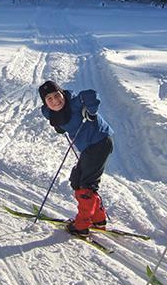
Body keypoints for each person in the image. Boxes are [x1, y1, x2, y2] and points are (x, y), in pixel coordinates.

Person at [38, 80, 114, 238]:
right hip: (89, 147)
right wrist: (58, 126)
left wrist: (91, 112)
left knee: (86, 185)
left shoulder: (75, 103)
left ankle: (81, 225)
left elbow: (91, 95)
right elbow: (51, 117)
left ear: (62, 93)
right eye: (49, 99)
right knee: (77, 179)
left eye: (57, 95)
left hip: (99, 142)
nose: (55, 101)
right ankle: (98, 219)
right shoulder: (49, 111)